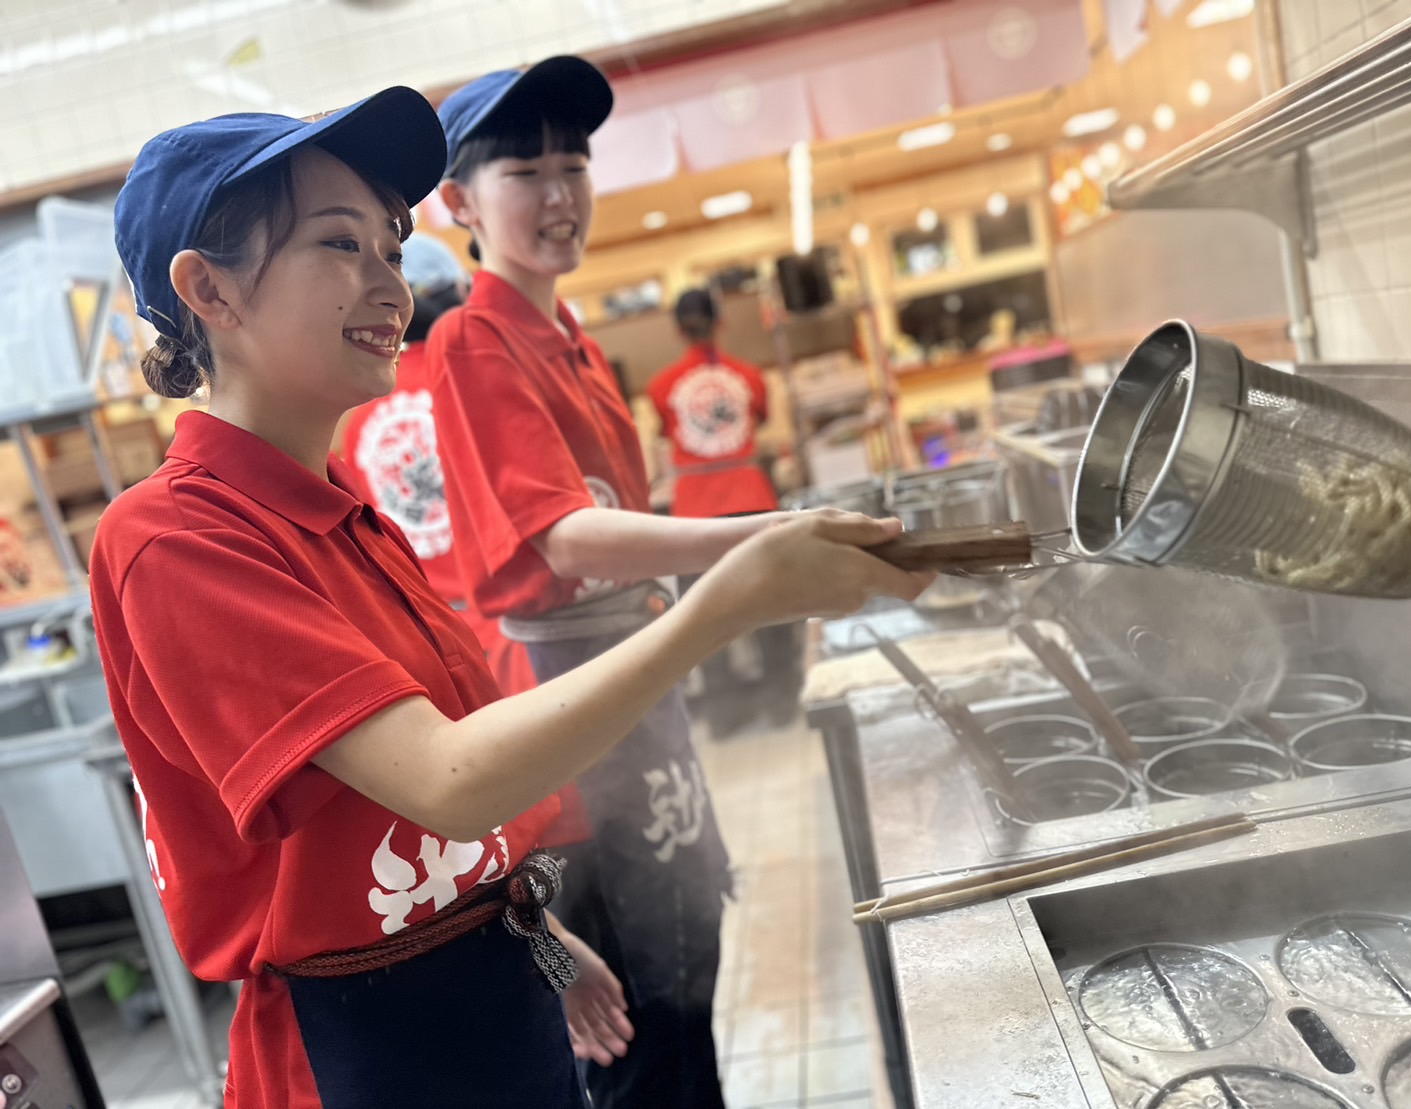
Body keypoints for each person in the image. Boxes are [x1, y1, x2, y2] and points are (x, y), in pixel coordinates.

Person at [89, 87, 927, 1109]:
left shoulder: (348, 509)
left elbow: (428, 798)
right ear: (207, 292)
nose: (389, 284)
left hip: (490, 987)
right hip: (366, 1046)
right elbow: (445, 776)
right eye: (340, 245)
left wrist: (535, 924)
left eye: (393, 249)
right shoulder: (173, 537)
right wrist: (730, 597)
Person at [427, 57, 815, 1108]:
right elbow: (564, 539)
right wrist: (762, 537)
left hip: (638, 697)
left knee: (690, 993)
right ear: (458, 202)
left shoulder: (578, 345)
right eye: (527, 173)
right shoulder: (470, 338)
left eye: (575, 166)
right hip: (565, 715)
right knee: (632, 1034)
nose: (560, 196)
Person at [337, 233, 539, 699]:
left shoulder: (360, 418)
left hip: (434, 648)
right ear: (458, 297)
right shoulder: (485, 383)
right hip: (519, 629)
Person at [647, 287, 802, 735]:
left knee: (706, 615)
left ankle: (726, 715)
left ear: (678, 329)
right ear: (723, 322)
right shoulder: (750, 377)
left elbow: (664, 430)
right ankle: (782, 700)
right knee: (771, 606)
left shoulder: (661, 387)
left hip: (695, 514)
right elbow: (763, 420)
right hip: (752, 503)